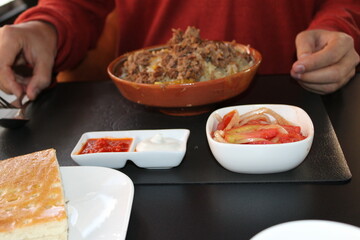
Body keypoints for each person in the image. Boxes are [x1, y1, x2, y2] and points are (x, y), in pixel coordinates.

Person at [0, 0, 358, 100]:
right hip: (146, 116)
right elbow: (78, 5)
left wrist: (336, 28)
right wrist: (45, 27)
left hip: (290, 98)